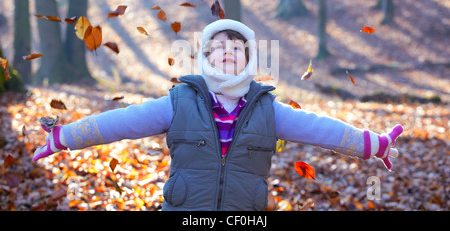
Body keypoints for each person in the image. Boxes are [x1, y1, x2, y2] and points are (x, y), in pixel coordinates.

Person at [33, 19, 403, 211]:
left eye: (236, 48)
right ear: (205, 59)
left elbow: (321, 130)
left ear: (249, 61)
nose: (227, 52)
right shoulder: (179, 102)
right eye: (218, 48)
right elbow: (119, 123)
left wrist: (373, 145)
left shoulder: (267, 110)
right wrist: (64, 137)